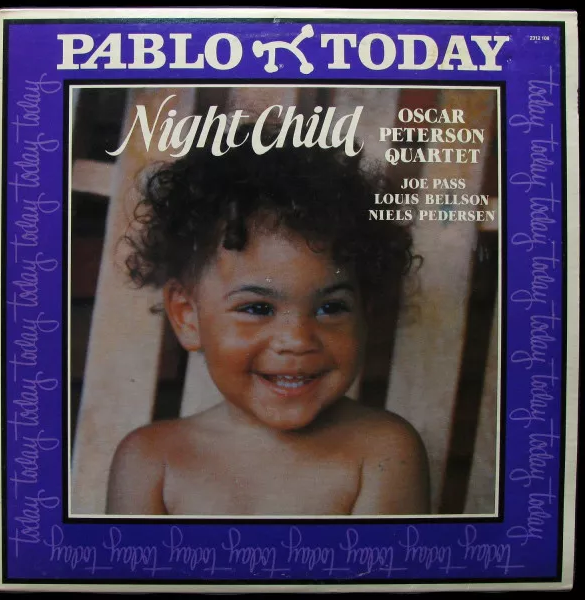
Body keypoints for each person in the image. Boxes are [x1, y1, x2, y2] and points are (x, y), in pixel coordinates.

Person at [106, 122, 430, 516]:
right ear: (187, 315)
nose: (297, 339)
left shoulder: (383, 451)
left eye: (331, 307)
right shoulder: (150, 462)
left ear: (366, 312)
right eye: (258, 309)